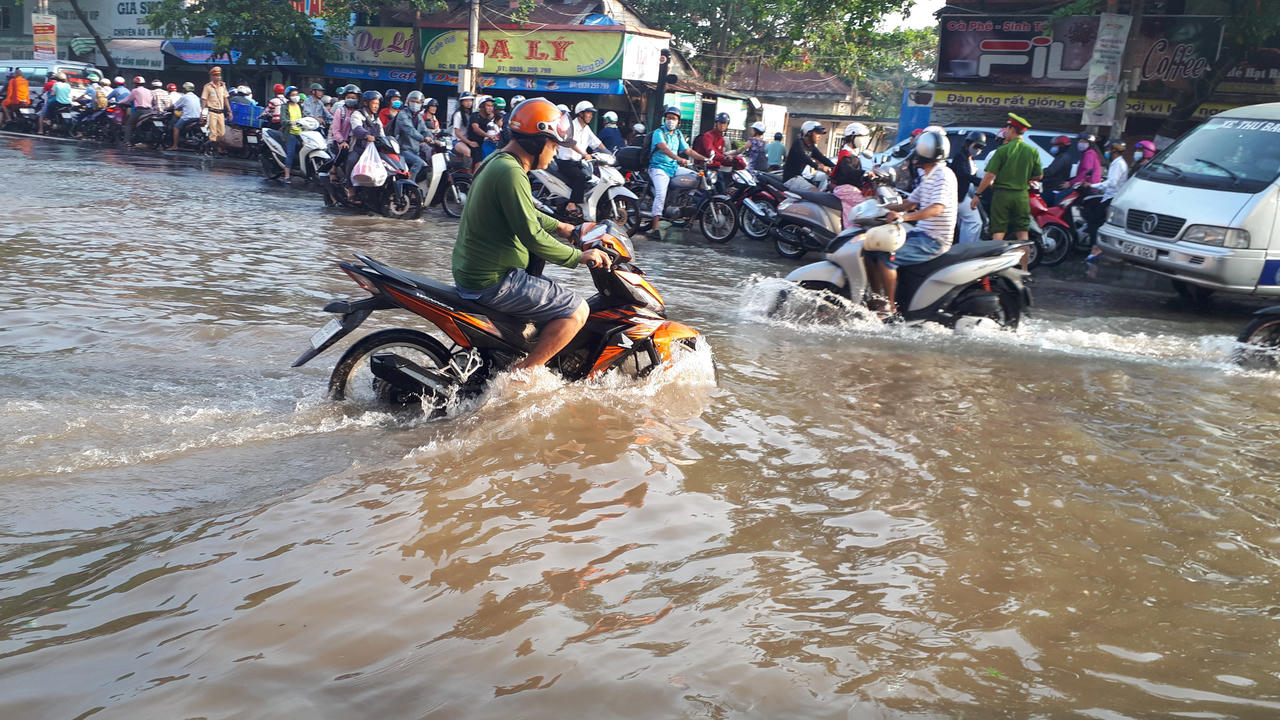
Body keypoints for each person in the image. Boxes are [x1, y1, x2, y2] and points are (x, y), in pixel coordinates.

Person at [451, 97, 612, 373]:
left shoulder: (499, 161)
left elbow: (524, 212)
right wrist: (580, 256)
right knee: (577, 310)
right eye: (552, 146)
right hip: (493, 280)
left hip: (476, 272)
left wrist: (564, 228)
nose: (552, 155)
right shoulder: (511, 172)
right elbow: (532, 235)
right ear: (536, 142)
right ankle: (524, 374)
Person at [863, 129, 957, 315]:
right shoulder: (928, 176)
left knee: (887, 256)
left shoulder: (943, 176)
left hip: (933, 240)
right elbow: (909, 202)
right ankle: (876, 301)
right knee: (869, 251)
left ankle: (888, 308)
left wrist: (904, 217)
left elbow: (936, 209)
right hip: (921, 233)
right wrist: (881, 208)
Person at [970, 113, 1043, 272]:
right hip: (1021, 196)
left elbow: (989, 176)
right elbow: (1039, 175)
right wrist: (1022, 176)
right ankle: (1024, 270)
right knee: (1023, 235)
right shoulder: (1032, 151)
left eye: (1007, 129)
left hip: (1002, 196)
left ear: (1011, 129)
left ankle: (995, 271)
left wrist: (977, 195)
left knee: (998, 233)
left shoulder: (1002, 150)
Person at [646, 106, 708, 240]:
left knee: (696, 177)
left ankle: (681, 205)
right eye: (668, 118)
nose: (670, 121)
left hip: (673, 168)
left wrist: (705, 159)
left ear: (678, 121)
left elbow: (689, 151)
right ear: (664, 119)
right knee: (661, 194)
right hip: (658, 168)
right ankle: (655, 228)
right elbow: (664, 148)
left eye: (673, 118)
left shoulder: (678, 134)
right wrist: (679, 159)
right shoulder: (659, 133)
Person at [1083, 139, 1145, 261]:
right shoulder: (1117, 163)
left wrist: (1092, 185)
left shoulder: (1118, 164)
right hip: (1109, 196)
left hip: (1112, 197)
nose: (1106, 152)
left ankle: (1096, 249)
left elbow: (1112, 182)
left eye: (1107, 149)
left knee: (1094, 222)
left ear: (1113, 150)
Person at [556, 100, 606, 215]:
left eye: (592, 113)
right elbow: (570, 143)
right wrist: (584, 154)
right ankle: (571, 204)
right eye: (588, 113)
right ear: (581, 113)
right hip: (565, 162)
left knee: (592, 178)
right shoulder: (571, 126)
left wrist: (608, 153)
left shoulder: (586, 129)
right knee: (581, 177)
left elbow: (597, 143)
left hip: (577, 162)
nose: (591, 116)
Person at [343, 90, 385, 198]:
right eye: (374, 103)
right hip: (358, 147)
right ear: (366, 103)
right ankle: (350, 187)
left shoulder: (376, 119)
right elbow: (357, 128)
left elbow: (382, 133)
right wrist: (366, 135)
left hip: (372, 150)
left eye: (378, 104)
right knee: (352, 161)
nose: (376, 106)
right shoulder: (357, 114)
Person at [948, 131, 986, 244]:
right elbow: (964, 175)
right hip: (959, 196)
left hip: (966, 194)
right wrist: (983, 182)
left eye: (981, 147)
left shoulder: (969, 158)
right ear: (968, 143)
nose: (978, 149)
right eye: (977, 146)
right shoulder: (960, 156)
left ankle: (966, 246)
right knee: (974, 222)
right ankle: (966, 248)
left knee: (964, 223)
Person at [393, 89, 431, 180]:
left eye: (417, 102)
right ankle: (410, 185)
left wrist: (433, 138)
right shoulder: (402, 115)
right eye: (412, 101)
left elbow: (425, 130)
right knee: (418, 162)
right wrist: (424, 139)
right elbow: (410, 130)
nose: (415, 104)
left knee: (426, 167)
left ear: (421, 104)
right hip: (402, 150)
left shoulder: (418, 117)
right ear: (408, 102)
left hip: (414, 151)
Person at [783, 122, 833, 187]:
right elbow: (804, 157)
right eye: (817, 133)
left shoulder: (811, 146)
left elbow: (822, 158)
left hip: (799, 177)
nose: (820, 136)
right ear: (809, 133)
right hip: (791, 179)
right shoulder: (798, 143)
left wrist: (835, 167)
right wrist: (818, 166)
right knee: (816, 193)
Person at [328, 84, 360, 181]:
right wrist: (342, 141)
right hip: (340, 142)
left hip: (355, 142)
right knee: (345, 149)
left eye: (353, 98)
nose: (351, 99)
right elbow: (335, 130)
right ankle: (334, 169)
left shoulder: (360, 111)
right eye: (348, 97)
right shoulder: (340, 111)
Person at [279, 86, 304, 183]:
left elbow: (304, 116)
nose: (296, 96)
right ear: (288, 96)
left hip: (301, 133)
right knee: (291, 153)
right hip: (290, 133)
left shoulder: (300, 106)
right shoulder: (285, 107)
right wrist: (290, 122)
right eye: (293, 95)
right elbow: (283, 120)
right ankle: (287, 176)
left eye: (296, 94)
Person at [167, 82, 201, 150]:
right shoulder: (196, 97)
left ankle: (175, 146)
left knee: (176, 127)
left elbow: (174, 106)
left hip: (188, 117)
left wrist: (167, 108)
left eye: (183, 89)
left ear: (185, 89)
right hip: (197, 117)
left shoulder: (185, 97)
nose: (182, 90)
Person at [201, 67, 230, 148]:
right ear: (212, 76)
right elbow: (204, 99)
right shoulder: (207, 87)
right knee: (213, 133)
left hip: (221, 112)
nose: (218, 77)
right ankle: (215, 152)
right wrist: (201, 112)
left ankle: (206, 145)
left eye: (219, 75)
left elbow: (225, 98)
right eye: (216, 75)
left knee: (222, 133)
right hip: (212, 112)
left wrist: (229, 110)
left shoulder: (222, 86)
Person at [121, 76, 154, 145]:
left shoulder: (135, 90)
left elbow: (128, 99)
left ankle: (126, 141)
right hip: (149, 111)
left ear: (135, 84)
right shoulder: (149, 91)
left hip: (139, 110)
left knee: (128, 124)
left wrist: (119, 102)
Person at [1041, 134, 1074, 205]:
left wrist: (1036, 174)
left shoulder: (1063, 157)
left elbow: (1050, 171)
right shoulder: (1061, 157)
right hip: (1051, 189)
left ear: (1062, 146)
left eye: (1055, 145)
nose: (1053, 147)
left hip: (1053, 190)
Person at [451, 92, 477, 161]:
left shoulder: (472, 114)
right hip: (457, 140)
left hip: (467, 139)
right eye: (466, 101)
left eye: (470, 100)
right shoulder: (458, 115)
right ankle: (467, 171)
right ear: (462, 102)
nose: (469, 103)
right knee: (467, 151)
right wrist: (470, 142)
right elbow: (457, 133)